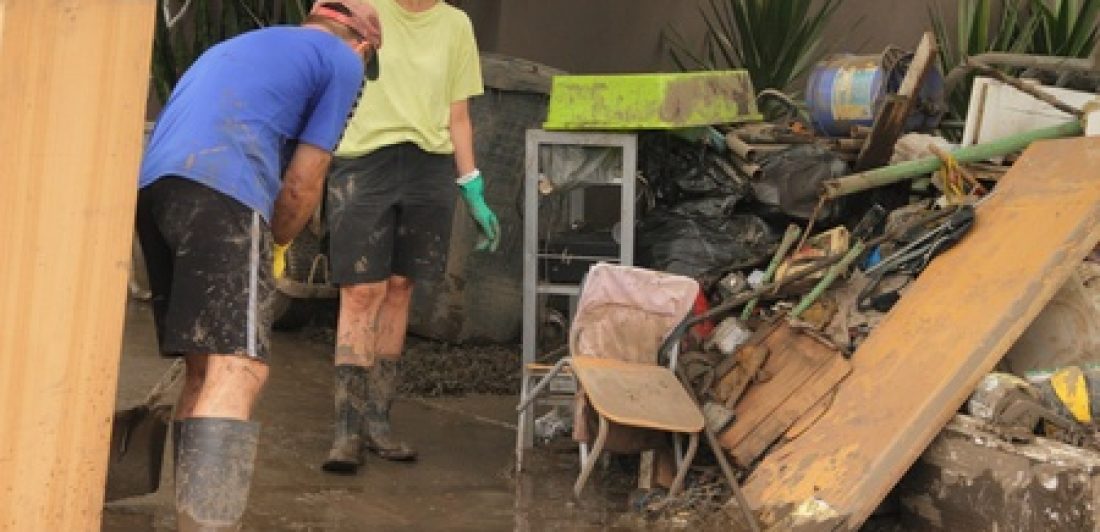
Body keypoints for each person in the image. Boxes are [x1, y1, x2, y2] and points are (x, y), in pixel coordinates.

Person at [135, 3, 381, 529]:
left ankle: (191, 517)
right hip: (224, 186)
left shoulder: (246, 45)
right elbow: (304, 179)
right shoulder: (343, 60)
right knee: (240, 365)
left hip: (156, 191)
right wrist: (278, 241)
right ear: (362, 46)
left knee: (204, 365)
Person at [321, 0, 498, 474]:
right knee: (361, 290)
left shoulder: (456, 25)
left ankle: (378, 422)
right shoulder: (365, 8)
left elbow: (458, 115)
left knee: (400, 288)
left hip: (429, 168)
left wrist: (472, 185)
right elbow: (327, 79)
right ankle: (346, 430)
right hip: (364, 161)